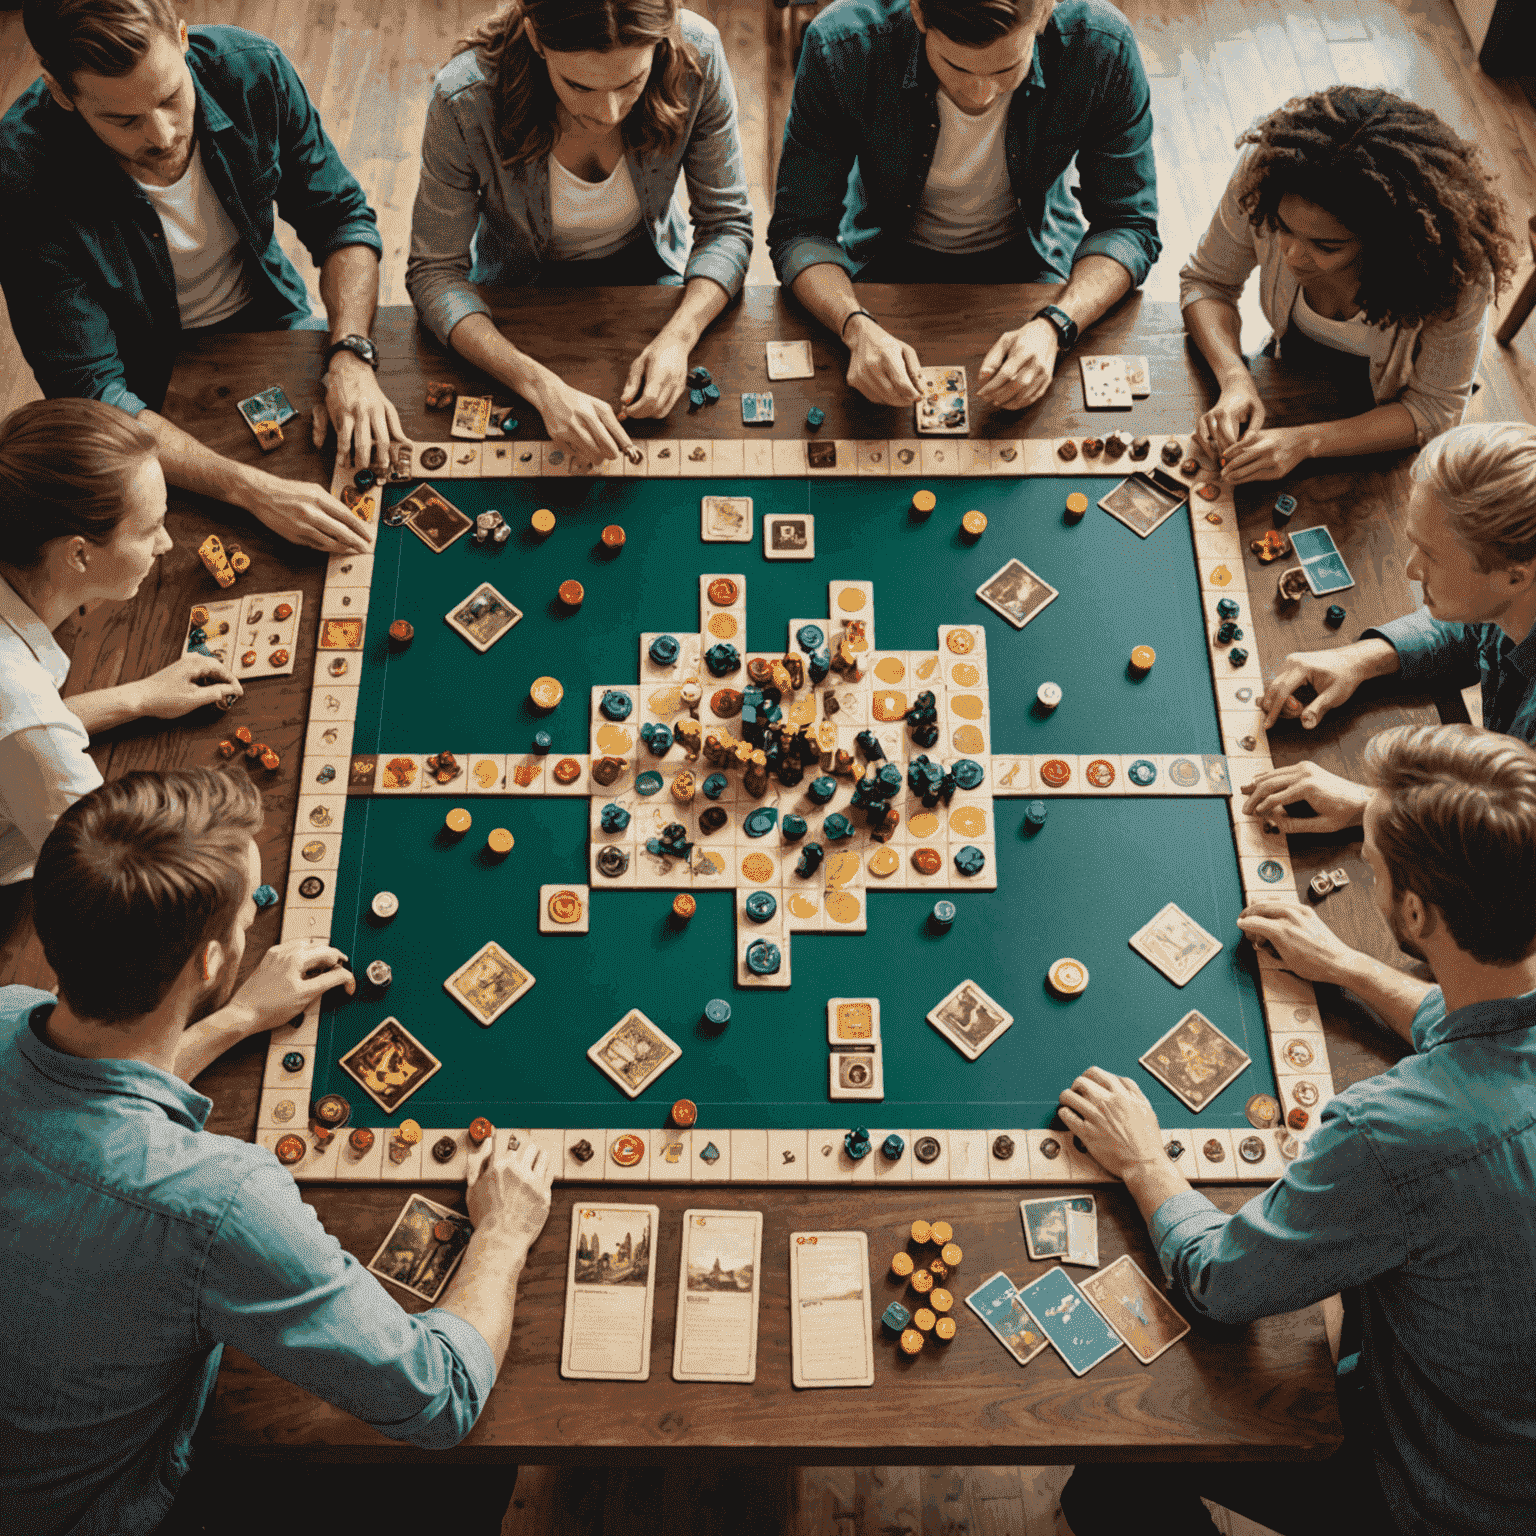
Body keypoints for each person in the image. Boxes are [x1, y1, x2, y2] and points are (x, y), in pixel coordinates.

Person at [0, 769, 554, 1536]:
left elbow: (95, 1092)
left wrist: (235, 1020)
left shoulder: (10, 1011)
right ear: (209, 960)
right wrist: (503, 1233)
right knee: (468, 1483)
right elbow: (440, 1398)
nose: (253, 928)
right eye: (247, 915)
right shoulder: (217, 1202)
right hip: (77, 1513)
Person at [1056, 722, 1536, 1536]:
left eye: (1372, 866)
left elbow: (1223, 1288)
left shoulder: (1392, 1136)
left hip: (1452, 1500)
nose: (1364, 871)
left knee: (1115, 1457)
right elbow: (1491, 1030)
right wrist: (1350, 966)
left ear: (1412, 910)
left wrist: (1143, 1160)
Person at [1, 0, 405, 555]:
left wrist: (352, 354)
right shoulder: (20, 175)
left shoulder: (252, 69)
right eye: (123, 120)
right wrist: (253, 491)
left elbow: (340, 219)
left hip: (271, 319)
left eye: (170, 96)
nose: (163, 134)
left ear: (184, 38)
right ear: (59, 91)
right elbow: (92, 389)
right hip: (144, 387)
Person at [766, 0, 1160, 412]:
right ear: (918, 13)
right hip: (881, 263)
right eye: (955, 67)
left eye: (1006, 70)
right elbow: (800, 230)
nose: (980, 95)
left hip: (1036, 260)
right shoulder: (842, 46)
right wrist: (854, 326)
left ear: (1045, 12)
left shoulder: (1101, 45)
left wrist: (1056, 324)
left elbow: (1128, 223)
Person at [406, 0, 753, 464]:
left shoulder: (699, 54)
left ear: (661, 39)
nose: (608, 112)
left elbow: (727, 224)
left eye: (630, 81)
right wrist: (541, 387)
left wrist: (679, 337)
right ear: (536, 39)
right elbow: (434, 273)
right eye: (578, 85)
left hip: (653, 280)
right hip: (515, 298)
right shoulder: (464, 97)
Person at [1183, 86, 1515, 483]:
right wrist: (1235, 379)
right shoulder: (1268, 179)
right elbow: (1208, 283)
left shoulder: (1452, 273)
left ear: (1386, 243)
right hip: (1292, 379)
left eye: (1325, 245)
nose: (1290, 255)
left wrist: (1305, 443)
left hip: (1385, 437)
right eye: (1282, 228)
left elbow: (1432, 410)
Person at [1242, 422, 1536, 833]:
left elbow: (1515, 840)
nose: (1412, 569)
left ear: (1514, 576)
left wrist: (1374, 806)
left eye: (1431, 556)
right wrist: (1360, 658)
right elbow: (1476, 631)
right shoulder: (1515, 599)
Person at [0, 397, 242, 886]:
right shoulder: (22, 702)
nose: (167, 543)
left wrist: (136, 697)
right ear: (80, 555)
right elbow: (112, 884)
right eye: (150, 527)